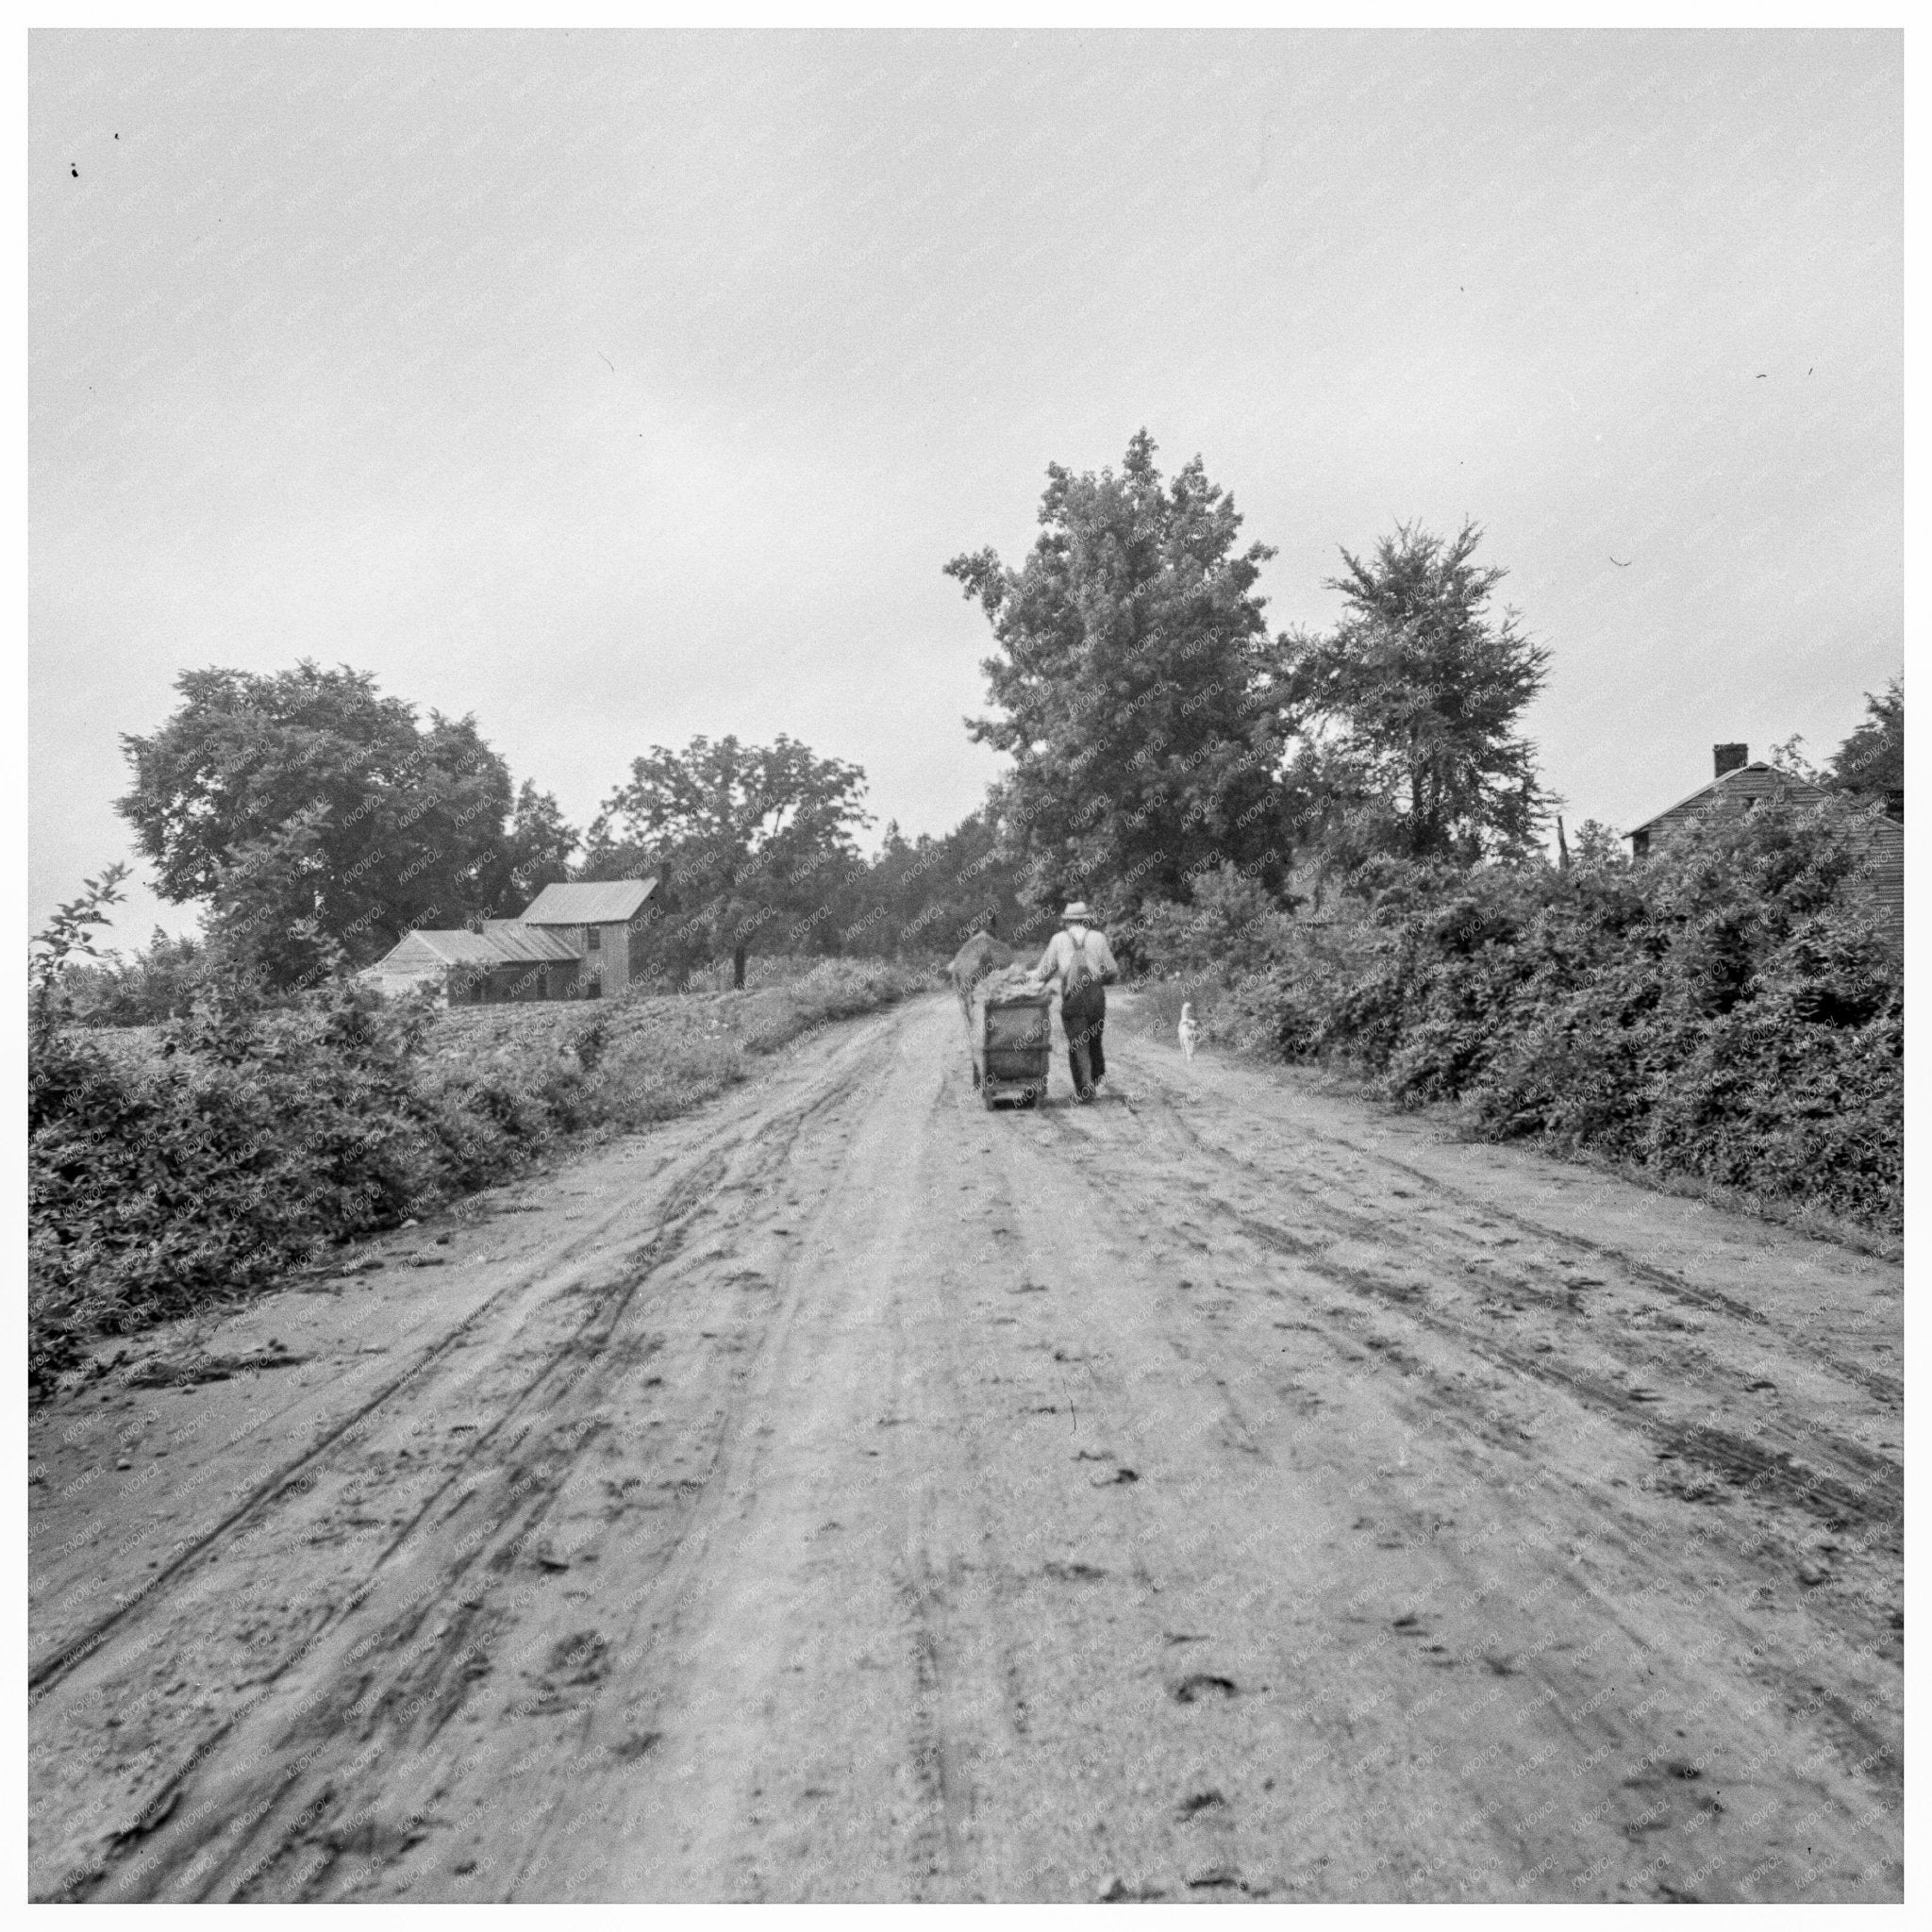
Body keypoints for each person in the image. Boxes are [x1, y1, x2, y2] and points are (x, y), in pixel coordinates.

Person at [1032, 901, 1119, 1101]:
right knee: (1095, 1040)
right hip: (1096, 998)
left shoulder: (1059, 939)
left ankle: (1084, 1088)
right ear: (1086, 920)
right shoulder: (1098, 937)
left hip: (1074, 998)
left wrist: (1029, 981)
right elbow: (1113, 970)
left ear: (1067, 922)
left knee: (1078, 1043)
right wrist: (1099, 981)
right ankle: (1095, 1078)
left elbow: (1043, 973)